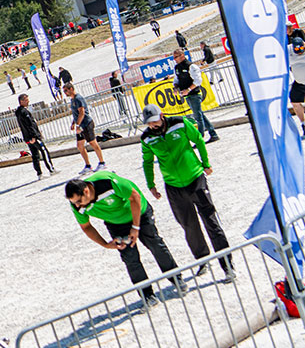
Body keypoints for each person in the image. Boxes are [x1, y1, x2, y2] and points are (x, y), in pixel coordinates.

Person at [139, 104, 235, 281]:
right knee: (189, 226)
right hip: (173, 186)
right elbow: (147, 161)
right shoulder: (146, 138)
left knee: (210, 220)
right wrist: (151, 184)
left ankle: (227, 264)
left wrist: (206, 163)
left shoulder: (180, 123)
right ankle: (202, 259)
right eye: (148, 123)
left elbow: (198, 139)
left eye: (153, 121)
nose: (152, 125)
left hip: (195, 178)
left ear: (161, 115)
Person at [65, 171, 186, 307]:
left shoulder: (106, 182)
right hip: (116, 224)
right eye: (74, 203)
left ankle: (176, 278)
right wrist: (105, 244)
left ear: (86, 191)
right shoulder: (76, 205)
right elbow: (86, 227)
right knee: (130, 257)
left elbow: (134, 197)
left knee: (155, 244)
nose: (77, 205)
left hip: (139, 213)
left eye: (79, 201)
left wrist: (136, 226)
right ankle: (147, 295)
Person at [172, 48, 219, 142]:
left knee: (198, 117)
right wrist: (176, 87)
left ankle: (199, 138)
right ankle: (213, 133)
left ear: (182, 55)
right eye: (173, 57)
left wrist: (188, 89)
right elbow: (176, 80)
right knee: (200, 114)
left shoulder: (191, 66)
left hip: (194, 94)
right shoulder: (177, 68)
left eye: (176, 57)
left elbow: (198, 81)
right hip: (186, 95)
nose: (174, 59)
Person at [64, 83, 106, 174]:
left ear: (71, 89)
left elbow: (82, 112)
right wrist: (73, 123)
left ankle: (102, 162)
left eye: (66, 90)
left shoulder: (78, 98)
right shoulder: (72, 100)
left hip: (86, 124)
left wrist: (78, 125)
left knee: (92, 143)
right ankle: (88, 165)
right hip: (80, 125)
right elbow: (76, 113)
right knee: (80, 146)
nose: (65, 93)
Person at [14, 94, 54, 180]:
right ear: (21, 101)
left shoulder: (18, 112)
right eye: (26, 100)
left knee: (35, 155)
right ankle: (51, 169)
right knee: (44, 151)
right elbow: (29, 125)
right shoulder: (24, 112)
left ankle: (39, 173)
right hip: (32, 137)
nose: (28, 101)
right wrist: (34, 136)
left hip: (27, 137)